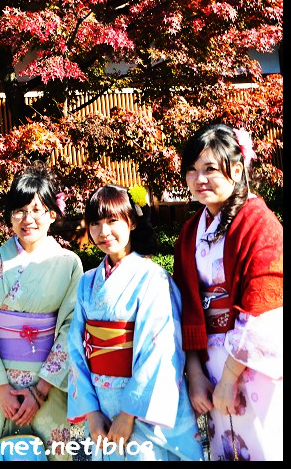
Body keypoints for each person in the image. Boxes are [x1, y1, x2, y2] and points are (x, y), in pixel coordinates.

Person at [67, 184, 205, 461]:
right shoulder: (86, 283)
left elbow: (160, 349)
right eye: (95, 223)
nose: (103, 232)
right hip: (101, 407)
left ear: (130, 221)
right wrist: (92, 413)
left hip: (142, 415)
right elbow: (76, 349)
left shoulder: (153, 279)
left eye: (112, 220)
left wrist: (129, 414)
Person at [0, 163, 84, 461]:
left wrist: (40, 390)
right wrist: (0, 386)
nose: (28, 219)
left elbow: (72, 328)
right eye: (20, 210)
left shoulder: (68, 264)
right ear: (10, 216)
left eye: (37, 210)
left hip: (48, 387)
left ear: (52, 214)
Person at [173, 123, 283, 461]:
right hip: (209, 364)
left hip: (253, 368)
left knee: (265, 446)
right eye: (191, 170)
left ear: (236, 169)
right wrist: (195, 374)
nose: (198, 179)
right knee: (225, 450)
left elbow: (265, 308)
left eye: (209, 169)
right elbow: (185, 307)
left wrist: (231, 378)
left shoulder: (261, 224)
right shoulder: (191, 231)